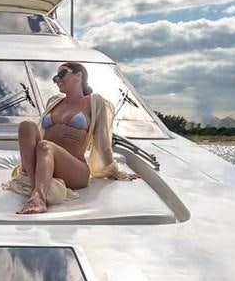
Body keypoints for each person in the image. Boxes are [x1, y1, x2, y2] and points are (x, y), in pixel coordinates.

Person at [8, 62, 138, 214]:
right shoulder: (54, 102)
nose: (57, 80)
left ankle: (38, 197)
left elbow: (103, 142)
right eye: (55, 78)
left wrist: (115, 171)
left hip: (75, 168)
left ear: (79, 76)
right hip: (45, 160)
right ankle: (35, 181)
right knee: (26, 126)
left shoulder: (94, 102)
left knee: (45, 146)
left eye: (61, 74)